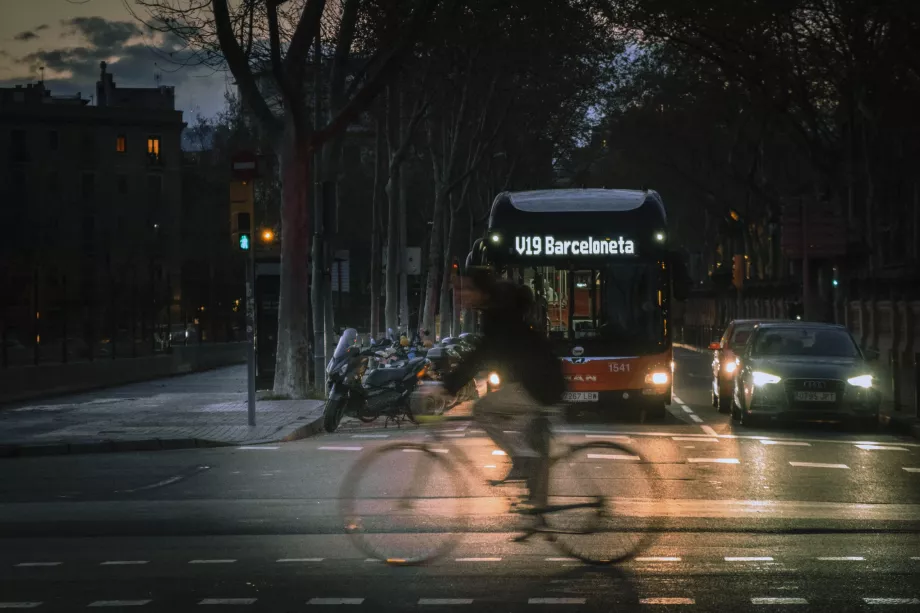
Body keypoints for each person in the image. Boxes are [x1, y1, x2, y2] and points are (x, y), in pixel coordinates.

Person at [437, 268, 566, 484]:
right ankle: (537, 508)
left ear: (482, 291)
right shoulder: (501, 308)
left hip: (538, 385)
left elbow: (481, 354)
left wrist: (447, 386)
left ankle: (521, 459)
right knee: (534, 443)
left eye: (467, 289)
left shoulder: (499, 314)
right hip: (540, 381)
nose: (460, 294)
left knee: (482, 409)